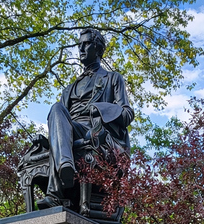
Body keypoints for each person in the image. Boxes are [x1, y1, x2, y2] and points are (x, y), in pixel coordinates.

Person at [37, 28, 134, 210]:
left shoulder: (112, 79)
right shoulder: (70, 88)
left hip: (94, 131)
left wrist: (100, 109)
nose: (81, 49)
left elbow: (127, 114)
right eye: (79, 45)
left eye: (86, 44)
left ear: (98, 49)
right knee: (56, 108)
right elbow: (58, 121)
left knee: (62, 128)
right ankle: (66, 165)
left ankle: (55, 192)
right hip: (69, 130)